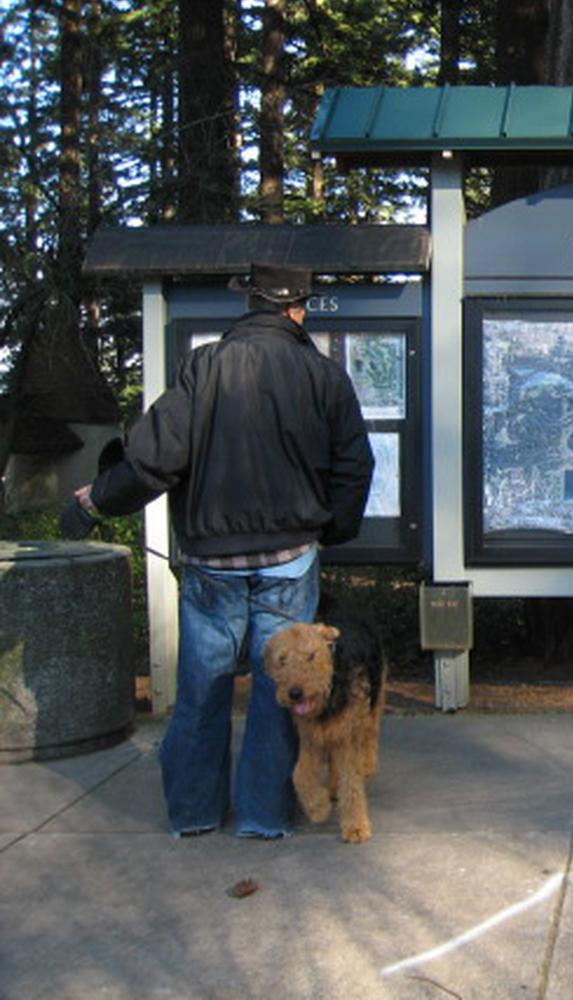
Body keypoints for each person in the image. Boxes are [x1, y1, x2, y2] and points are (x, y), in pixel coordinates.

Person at [61, 262, 374, 839]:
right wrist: (329, 530)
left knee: (202, 689)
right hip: (290, 561)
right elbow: (356, 465)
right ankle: (261, 816)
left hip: (212, 565)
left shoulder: (203, 368)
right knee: (286, 690)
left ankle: (195, 813)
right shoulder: (323, 375)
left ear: (250, 305)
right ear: (297, 309)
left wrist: (94, 503)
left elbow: (154, 456)